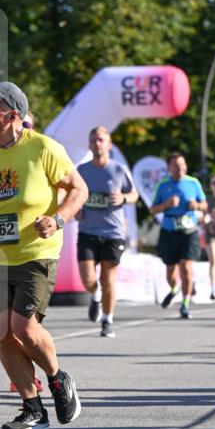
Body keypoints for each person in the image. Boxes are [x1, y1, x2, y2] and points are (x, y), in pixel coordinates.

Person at [0, 80, 87, 429]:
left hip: (36, 252)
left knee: (23, 327)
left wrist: (57, 220)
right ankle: (32, 408)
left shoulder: (44, 148)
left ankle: (57, 378)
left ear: (11, 115)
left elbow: (78, 189)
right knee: (3, 333)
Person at [77, 126, 138, 337]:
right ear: (89, 144)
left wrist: (123, 198)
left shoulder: (119, 170)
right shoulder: (82, 171)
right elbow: (73, 195)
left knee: (108, 278)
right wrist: (76, 210)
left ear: (109, 145)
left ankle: (107, 320)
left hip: (113, 232)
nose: (97, 143)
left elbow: (134, 194)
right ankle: (95, 296)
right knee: (88, 279)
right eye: (93, 140)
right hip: (87, 231)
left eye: (101, 140)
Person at [150, 152, 207, 319]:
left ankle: (185, 304)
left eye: (182, 164)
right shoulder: (163, 185)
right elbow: (153, 209)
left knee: (187, 267)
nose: (179, 168)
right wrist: (167, 205)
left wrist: (196, 205)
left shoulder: (193, 182)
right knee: (170, 271)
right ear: (169, 168)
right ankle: (174, 288)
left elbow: (204, 204)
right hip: (169, 230)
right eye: (175, 165)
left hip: (189, 230)